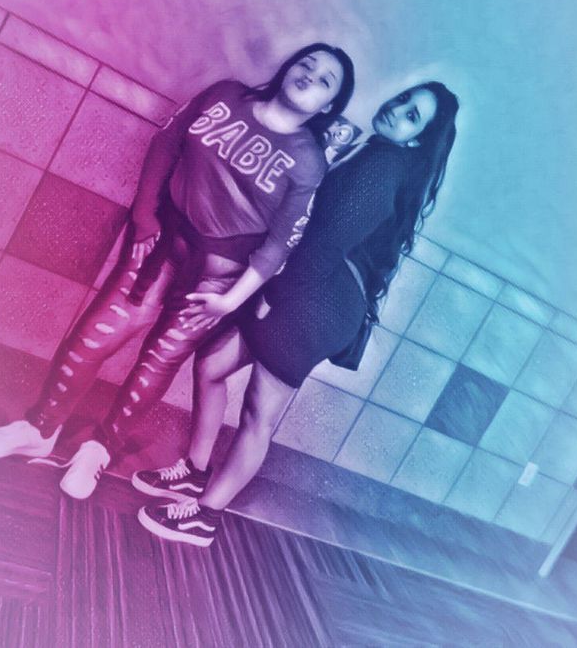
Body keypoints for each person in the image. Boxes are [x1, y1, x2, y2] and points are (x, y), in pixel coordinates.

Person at [0, 44, 355, 499]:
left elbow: (280, 244)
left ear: (328, 106)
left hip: (218, 278)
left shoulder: (309, 162)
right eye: (306, 63)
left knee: (158, 361)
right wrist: (143, 216)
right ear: (289, 67)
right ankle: (40, 429)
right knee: (97, 334)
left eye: (325, 80)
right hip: (160, 243)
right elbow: (165, 144)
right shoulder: (225, 95)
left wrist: (230, 301)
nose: (310, 75)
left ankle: (98, 451)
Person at [136, 81, 459, 547]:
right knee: (210, 366)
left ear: (416, 140)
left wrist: (272, 297)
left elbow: (324, 244)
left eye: (413, 117)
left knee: (258, 414)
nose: (398, 109)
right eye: (404, 99)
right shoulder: (377, 154)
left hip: (313, 303)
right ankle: (194, 471)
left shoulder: (382, 166)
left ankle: (204, 517)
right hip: (313, 294)